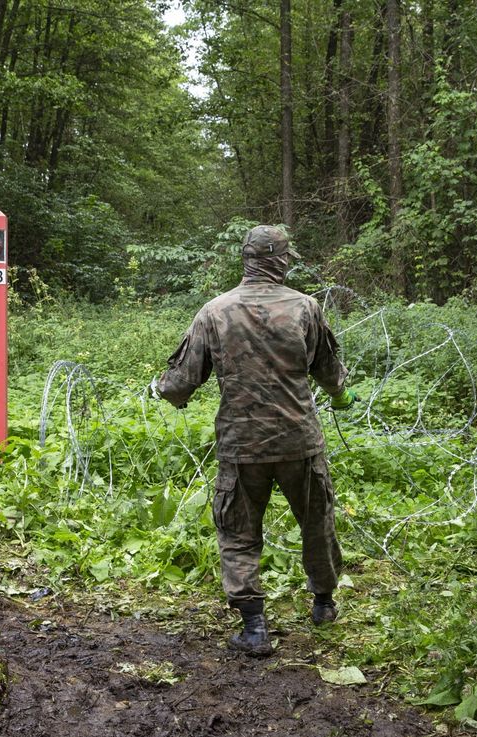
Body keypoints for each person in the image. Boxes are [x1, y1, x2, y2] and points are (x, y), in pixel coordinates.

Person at [150, 225, 356, 657]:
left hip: (243, 445)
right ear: (283, 260)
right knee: (316, 521)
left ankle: (254, 626)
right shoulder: (305, 308)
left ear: (245, 259)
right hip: (299, 440)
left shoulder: (215, 311)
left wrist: (161, 390)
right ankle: (323, 605)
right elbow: (330, 372)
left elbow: (181, 383)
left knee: (239, 532)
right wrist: (340, 395)